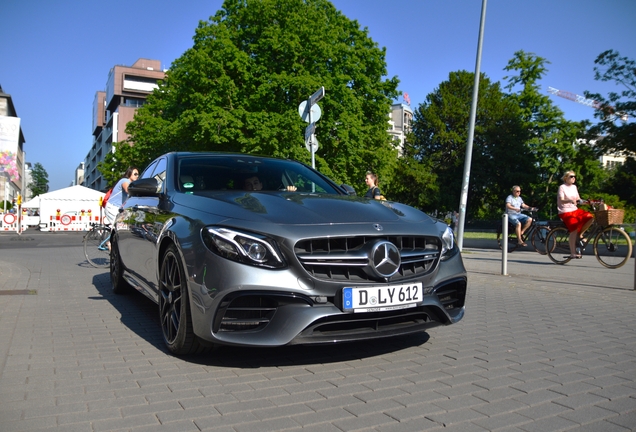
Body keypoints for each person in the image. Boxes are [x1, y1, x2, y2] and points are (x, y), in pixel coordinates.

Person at [557, 170, 594, 259]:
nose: (574, 178)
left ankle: (580, 234)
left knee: (590, 217)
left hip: (574, 210)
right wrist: (570, 200)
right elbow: (561, 200)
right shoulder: (562, 187)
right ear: (566, 178)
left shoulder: (574, 187)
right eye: (571, 176)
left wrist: (588, 202)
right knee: (573, 228)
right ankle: (573, 253)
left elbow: (578, 199)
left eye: (574, 176)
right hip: (565, 211)